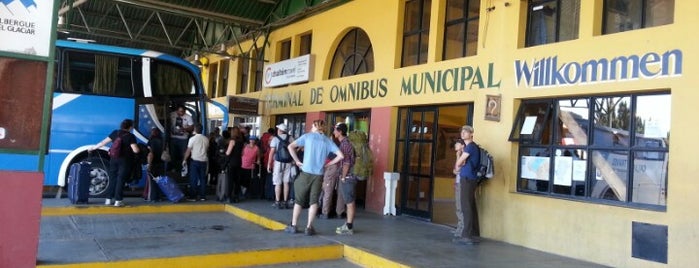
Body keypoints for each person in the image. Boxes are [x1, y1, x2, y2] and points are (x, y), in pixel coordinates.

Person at [285, 120, 344, 236]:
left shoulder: (307, 137)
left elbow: (290, 146)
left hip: (305, 173)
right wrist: (328, 164)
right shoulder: (327, 141)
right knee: (314, 202)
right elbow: (341, 156)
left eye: (312, 125)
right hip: (319, 175)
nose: (311, 127)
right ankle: (309, 227)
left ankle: (294, 226)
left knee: (299, 201)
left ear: (315, 127)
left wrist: (297, 161)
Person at [89, 119, 140, 207]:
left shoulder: (115, 133)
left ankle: (108, 200)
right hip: (125, 161)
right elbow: (135, 150)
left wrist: (93, 148)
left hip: (113, 159)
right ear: (130, 127)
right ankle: (118, 200)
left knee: (112, 179)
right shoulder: (130, 136)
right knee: (120, 180)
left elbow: (103, 143)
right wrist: (138, 150)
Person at [453, 125, 481, 245]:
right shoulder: (468, 148)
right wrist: (460, 155)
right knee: (470, 205)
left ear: (471, 134)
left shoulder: (470, 147)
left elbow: (458, 164)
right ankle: (473, 233)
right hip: (469, 178)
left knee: (466, 206)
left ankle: (467, 235)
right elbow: (458, 166)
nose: (463, 133)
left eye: (466, 132)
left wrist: (460, 159)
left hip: (468, 179)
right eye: (462, 131)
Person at [333, 123, 357, 235]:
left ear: (340, 132)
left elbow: (346, 163)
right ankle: (348, 224)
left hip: (348, 177)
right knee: (348, 201)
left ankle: (349, 227)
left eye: (335, 130)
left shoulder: (345, 144)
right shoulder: (345, 143)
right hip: (348, 176)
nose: (334, 132)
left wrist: (343, 177)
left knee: (349, 202)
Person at [267, 124, 295, 209]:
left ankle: (278, 202)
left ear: (279, 130)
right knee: (286, 182)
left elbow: (272, 152)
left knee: (277, 182)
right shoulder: (291, 138)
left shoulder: (275, 139)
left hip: (278, 162)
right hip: (288, 163)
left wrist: (269, 164)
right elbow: (295, 148)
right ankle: (286, 201)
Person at [182, 124, 209, 201]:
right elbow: (207, 150)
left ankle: (193, 196)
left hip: (195, 161)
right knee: (203, 179)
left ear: (195, 130)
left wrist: (184, 159)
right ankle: (203, 196)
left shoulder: (192, 139)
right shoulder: (206, 139)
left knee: (194, 179)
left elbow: (188, 151)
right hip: (204, 161)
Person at [170, 104, 194, 173]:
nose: (181, 113)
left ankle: (183, 168)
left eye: (183, 112)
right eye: (179, 111)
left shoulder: (188, 117)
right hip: (173, 137)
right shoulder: (172, 115)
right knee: (173, 153)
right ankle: (173, 167)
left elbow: (192, 127)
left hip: (183, 138)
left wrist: (185, 129)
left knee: (183, 154)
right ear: (177, 111)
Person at [225, 126, 244, 203]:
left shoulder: (232, 141)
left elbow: (228, 153)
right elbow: (242, 153)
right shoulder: (241, 142)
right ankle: (236, 196)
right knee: (237, 180)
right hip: (239, 162)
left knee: (230, 180)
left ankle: (229, 197)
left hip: (232, 162)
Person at [146, 127, 166, 201]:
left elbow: (150, 154)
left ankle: (154, 197)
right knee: (160, 180)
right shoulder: (162, 141)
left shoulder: (151, 141)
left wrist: (149, 164)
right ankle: (160, 197)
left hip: (153, 163)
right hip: (161, 163)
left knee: (153, 181)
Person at [451, 138, 466, 239]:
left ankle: (462, 228)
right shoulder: (460, 155)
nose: (455, 146)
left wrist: (457, 156)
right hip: (458, 182)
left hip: (462, 183)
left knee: (460, 206)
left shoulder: (464, 155)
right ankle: (459, 226)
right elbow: (455, 170)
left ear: (462, 145)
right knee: (458, 206)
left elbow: (458, 168)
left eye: (457, 144)